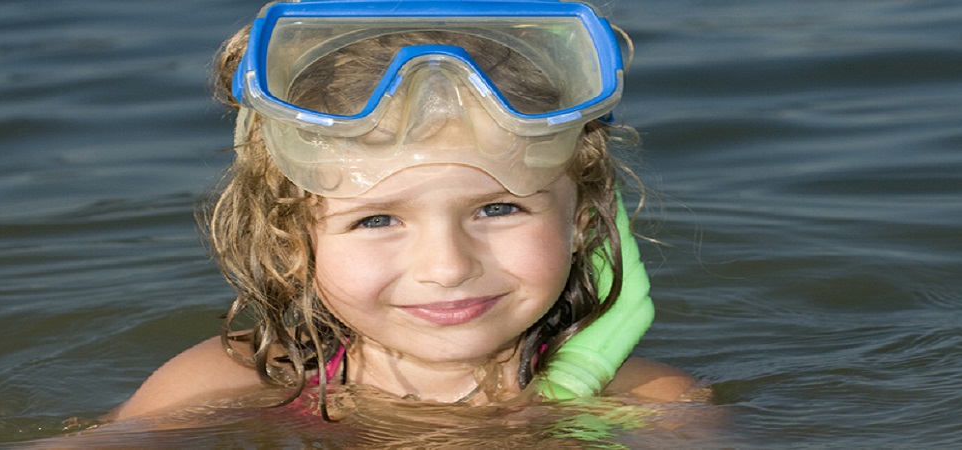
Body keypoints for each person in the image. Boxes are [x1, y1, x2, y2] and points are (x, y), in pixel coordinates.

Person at [113, 0, 699, 421]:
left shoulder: (654, 408)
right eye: (376, 219)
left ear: (584, 223)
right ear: (290, 243)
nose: (446, 267)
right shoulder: (232, 384)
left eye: (498, 208)